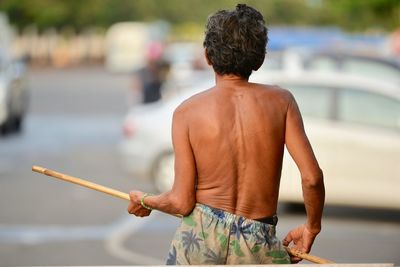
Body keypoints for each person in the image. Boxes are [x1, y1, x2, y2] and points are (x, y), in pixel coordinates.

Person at [127, 4, 325, 265]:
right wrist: (312, 227)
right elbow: (311, 178)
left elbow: (180, 201)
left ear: (208, 56)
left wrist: (146, 200)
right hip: (258, 244)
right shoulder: (282, 102)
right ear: (260, 58)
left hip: (198, 242)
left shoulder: (187, 113)